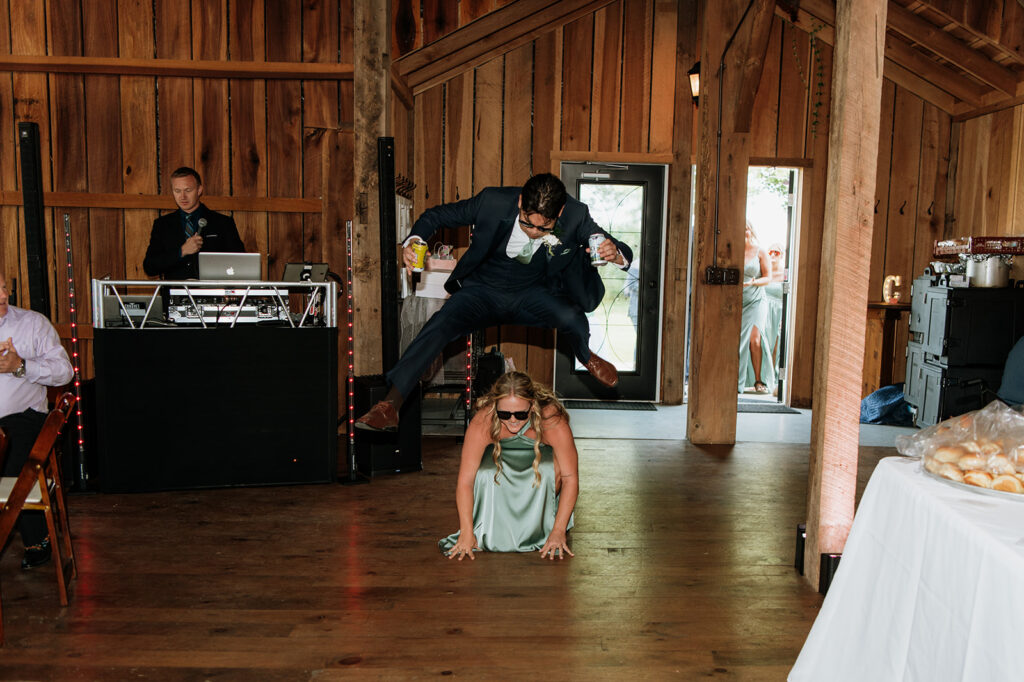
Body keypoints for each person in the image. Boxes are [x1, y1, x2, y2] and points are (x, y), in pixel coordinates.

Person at [356, 173, 633, 432]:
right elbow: (436, 216)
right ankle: (390, 403)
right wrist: (413, 240)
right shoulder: (493, 201)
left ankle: (585, 355)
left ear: (559, 213)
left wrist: (616, 254)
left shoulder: (576, 214)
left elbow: (617, 245)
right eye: (527, 222)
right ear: (521, 202)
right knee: (439, 326)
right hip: (482, 291)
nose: (533, 232)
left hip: (533, 294)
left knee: (572, 317)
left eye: (543, 227)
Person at [439, 371, 578, 560]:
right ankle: (494, 525)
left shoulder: (551, 420)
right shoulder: (483, 420)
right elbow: (465, 481)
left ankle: (541, 525)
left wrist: (559, 530)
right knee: (483, 473)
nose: (513, 420)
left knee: (554, 469)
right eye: (504, 413)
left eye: (521, 414)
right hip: (500, 463)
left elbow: (570, 479)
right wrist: (466, 532)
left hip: (538, 467)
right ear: (495, 406)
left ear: (532, 406)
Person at [0, 271, 74, 569]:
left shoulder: (32, 324)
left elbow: (65, 371)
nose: (3, 296)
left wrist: (21, 366)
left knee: (11, 455)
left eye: (4, 288)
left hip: (24, 419)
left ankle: (36, 540)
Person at [142, 167, 245, 279]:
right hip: (175, 294)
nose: (182, 197)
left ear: (199, 190)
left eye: (188, 190)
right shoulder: (162, 225)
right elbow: (150, 267)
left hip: (212, 293)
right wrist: (181, 252)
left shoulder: (223, 223)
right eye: (177, 191)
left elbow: (240, 263)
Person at [739, 221, 775, 394]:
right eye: (740, 228)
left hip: (756, 300)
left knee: (754, 340)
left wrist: (753, 282)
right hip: (738, 302)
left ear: (751, 230)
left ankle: (759, 379)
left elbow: (768, 278)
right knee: (739, 342)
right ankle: (736, 380)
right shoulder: (733, 251)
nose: (744, 231)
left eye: (746, 228)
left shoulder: (760, 251)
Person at [764, 242, 786, 374]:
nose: (773, 254)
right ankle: (763, 377)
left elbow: (789, 296)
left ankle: (775, 377)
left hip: (779, 312)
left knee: (777, 347)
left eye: (776, 252)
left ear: (781, 256)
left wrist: (785, 317)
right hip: (765, 312)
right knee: (764, 344)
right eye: (770, 252)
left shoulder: (785, 274)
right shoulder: (764, 272)